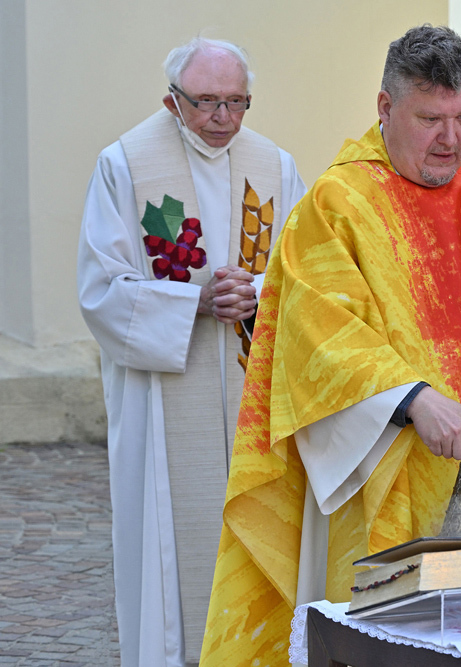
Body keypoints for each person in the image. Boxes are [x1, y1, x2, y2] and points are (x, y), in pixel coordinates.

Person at [198, 25, 461, 666]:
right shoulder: (337, 205)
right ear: (385, 108)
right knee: (394, 647)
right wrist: (413, 398)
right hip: (386, 466)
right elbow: (318, 335)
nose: (450, 139)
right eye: (430, 119)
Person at [77, 37, 307, 667]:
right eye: (206, 102)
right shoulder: (125, 165)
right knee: (173, 558)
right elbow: (101, 290)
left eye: (237, 102)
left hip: (252, 392)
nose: (222, 118)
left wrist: (256, 290)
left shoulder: (275, 166)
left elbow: (306, 274)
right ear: (172, 101)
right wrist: (195, 303)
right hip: (164, 403)